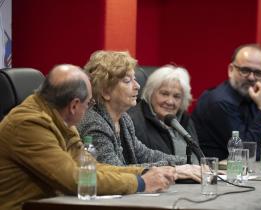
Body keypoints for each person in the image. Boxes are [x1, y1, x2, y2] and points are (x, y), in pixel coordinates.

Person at [0, 64, 177, 210]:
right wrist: (140, 183)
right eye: (89, 103)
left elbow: (90, 168)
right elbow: (75, 179)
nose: (89, 109)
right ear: (74, 105)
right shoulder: (29, 124)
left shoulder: (60, 118)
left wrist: (144, 173)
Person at [77, 51, 201, 181]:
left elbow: (146, 154)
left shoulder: (123, 119)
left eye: (134, 79)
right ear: (106, 91)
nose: (137, 86)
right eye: (127, 81)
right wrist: (174, 169)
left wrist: (189, 163)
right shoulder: (94, 124)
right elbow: (114, 170)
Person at [192, 44, 261, 161]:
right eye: (245, 70)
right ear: (231, 70)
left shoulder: (252, 98)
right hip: (215, 175)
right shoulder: (220, 102)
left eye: (258, 73)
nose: (252, 78)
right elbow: (244, 154)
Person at [128, 65, 200, 164]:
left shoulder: (185, 119)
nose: (170, 101)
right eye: (164, 94)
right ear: (150, 92)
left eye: (177, 96)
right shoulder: (133, 121)